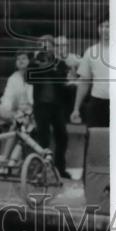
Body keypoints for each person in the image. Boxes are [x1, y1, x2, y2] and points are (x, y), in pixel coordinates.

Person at [29, 36, 71, 178]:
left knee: (62, 137)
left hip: (57, 106)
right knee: (43, 138)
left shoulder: (60, 63)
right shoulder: (34, 64)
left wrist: (47, 67)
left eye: (47, 45)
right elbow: (28, 79)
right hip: (41, 106)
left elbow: (61, 80)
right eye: (41, 45)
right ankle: (41, 170)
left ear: (53, 47)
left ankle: (60, 168)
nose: (44, 48)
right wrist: (37, 63)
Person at [0, 51, 34, 166]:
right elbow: (8, 101)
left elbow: (32, 101)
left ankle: (7, 157)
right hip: (15, 112)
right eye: (18, 59)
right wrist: (13, 111)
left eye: (24, 58)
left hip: (30, 112)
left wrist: (26, 112)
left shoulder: (33, 76)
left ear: (29, 61)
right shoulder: (13, 78)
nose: (20, 61)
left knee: (20, 124)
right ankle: (9, 158)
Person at [71, 19, 110, 128]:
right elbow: (84, 82)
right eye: (102, 26)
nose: (105, 30)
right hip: (97, 103)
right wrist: (76, 108)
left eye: (109, 26)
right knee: (95, 141)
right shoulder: (90, 52)